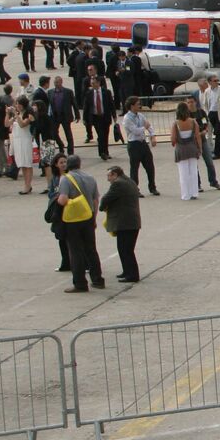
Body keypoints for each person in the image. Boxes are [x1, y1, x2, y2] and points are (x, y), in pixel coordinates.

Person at [56, 155, 105, 293]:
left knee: (75, 251)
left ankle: (80, 283)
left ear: (68, 166)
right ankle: (97, 279)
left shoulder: (66, 179)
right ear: (79, 164)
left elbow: (63, 199)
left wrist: (57, 201)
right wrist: (94, 218)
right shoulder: (90, 178)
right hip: (88, 217)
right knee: (91, 249)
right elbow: (96, 200)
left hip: (73, 220)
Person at [98, 164, 142, 283]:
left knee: (125, 249)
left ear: (115, 175)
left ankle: (132, 274)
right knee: (126, 249)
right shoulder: (129, 181)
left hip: (125, 222)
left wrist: (101, 207)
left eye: (109, 176)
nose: (108, 179)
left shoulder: (118, 184)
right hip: (132, 221)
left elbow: (106, 198)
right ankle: (127, 271)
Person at [120, 96, 159, 195]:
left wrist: (152, 135)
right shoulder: (127, 118)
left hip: (143, 143)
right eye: (137, 104)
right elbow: (135, 131)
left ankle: (152, 187)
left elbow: (149, 126)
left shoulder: (140, 115)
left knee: (150, 166)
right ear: (132, 106)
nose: (139, 106)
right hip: (134, 144)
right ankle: (135, 189)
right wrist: (144, 127)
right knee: (134, 168)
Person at [169, 103, 202, 200]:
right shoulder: (193, 122)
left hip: (181, 149)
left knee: (183, 173)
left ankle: (185, 194)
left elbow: (173, 139)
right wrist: (199, 149)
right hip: (192, 148)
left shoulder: (176, 123)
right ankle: (194, 193)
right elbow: (198, 137)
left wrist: (174, 142)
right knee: (193, 172)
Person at [82, 74, 116, 160]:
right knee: (100, 135)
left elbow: (111, 104)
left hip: (105, 116)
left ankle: (106, 152)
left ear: (98, 83)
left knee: (106, 135)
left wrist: (114, 115)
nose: (92, 85)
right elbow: (86, 107)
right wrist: (85, 118)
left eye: (94, 83)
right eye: (91, 83)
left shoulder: (106, 92)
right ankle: (102, 153)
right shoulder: (89, 93)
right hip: (95, 117)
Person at [10, 98, 36, 194]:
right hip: (17, 140)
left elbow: (22, 124)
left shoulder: (28, 114)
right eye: (17, 104)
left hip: (25, 140)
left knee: (27, 163)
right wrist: (8, 113)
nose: (18, 106)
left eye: (19, 104)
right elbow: (7, 124)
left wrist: (16, 114)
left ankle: (28, 185)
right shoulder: (18, 114)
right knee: (22, 164)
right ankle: (26, 184)